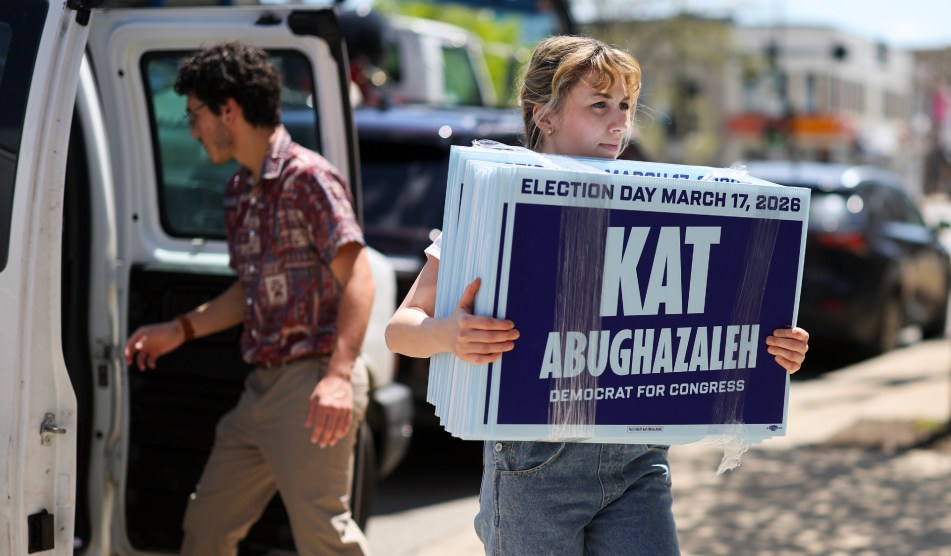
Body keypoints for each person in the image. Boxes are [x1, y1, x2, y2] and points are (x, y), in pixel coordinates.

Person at [384, 35, 810, 555]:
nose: (619, 123)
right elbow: (399, 330)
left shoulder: (663, 205)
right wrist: (447, 334)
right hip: (534, 470)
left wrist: (772, 349)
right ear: (544, 116)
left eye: (626, 106)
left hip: (640, 463)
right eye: (599, 105)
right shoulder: (495, 202)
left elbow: (710, 322)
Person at [123, 41, 375, 556]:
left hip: (312, 382)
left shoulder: (308, 179)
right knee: (208, 526)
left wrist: (337, 376)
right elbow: (252, 289)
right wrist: (179, 330)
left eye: (195, 115)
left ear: (228, 110)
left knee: (325, 538)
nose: (191, 130)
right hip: (259, 388)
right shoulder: (239, 190)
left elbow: (360, 276)